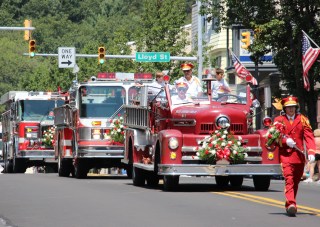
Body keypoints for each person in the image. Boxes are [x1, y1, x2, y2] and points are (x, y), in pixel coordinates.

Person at [273, 96, 316, 217]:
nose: (291, 110)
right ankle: (291, 204)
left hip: (298, 155)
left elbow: (309, 136)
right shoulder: (278, 120)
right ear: (284, 109)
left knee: (296, 181)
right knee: (289, 179)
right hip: (285, 155)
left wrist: (312, 152)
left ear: (296, 108)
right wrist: (285, 141)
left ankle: (290, 203)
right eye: (288, 107)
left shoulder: (302, 119)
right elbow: (272, 138)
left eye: (293, 107)